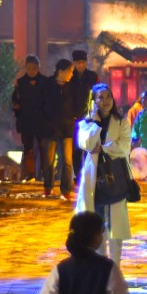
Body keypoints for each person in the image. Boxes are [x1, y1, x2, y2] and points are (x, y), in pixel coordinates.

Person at [75, 83, 133, 264]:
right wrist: (95, 122)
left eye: (108, 96)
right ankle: (99, 262)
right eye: (100, 97)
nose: (106, 100)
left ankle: (114, 265)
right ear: (93, 101)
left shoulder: (122, 122)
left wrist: (104, 148)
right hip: (93, 177)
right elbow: (86, 144)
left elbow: (124, 147)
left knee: (116, 223)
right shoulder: (86, 124)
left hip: (115, 175)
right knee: (96, 222)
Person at [45, 59, 80, 200]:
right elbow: (43, 105)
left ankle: (66, 189)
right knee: (49, 160)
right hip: (51, 128)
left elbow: (77, 105)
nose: (71, 74)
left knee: (67, 161)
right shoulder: (48, 85)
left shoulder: (72, 87)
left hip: (67, 129)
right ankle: (48, 187)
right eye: (70, 71)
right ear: (61, 72)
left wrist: (75, 116)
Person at [11, 55, 49, 182]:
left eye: (34, 68)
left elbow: (49, 101)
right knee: (28, 148)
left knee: (43, 147)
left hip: (41, 121)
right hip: (26, 120)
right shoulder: (20, 83)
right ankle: (31, 173)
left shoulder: (45, 82)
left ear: (38, 67)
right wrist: (18, 111)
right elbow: (15, 101)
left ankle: (43, 172)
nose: (31, 70)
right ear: (25, 68)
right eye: (29, 68)